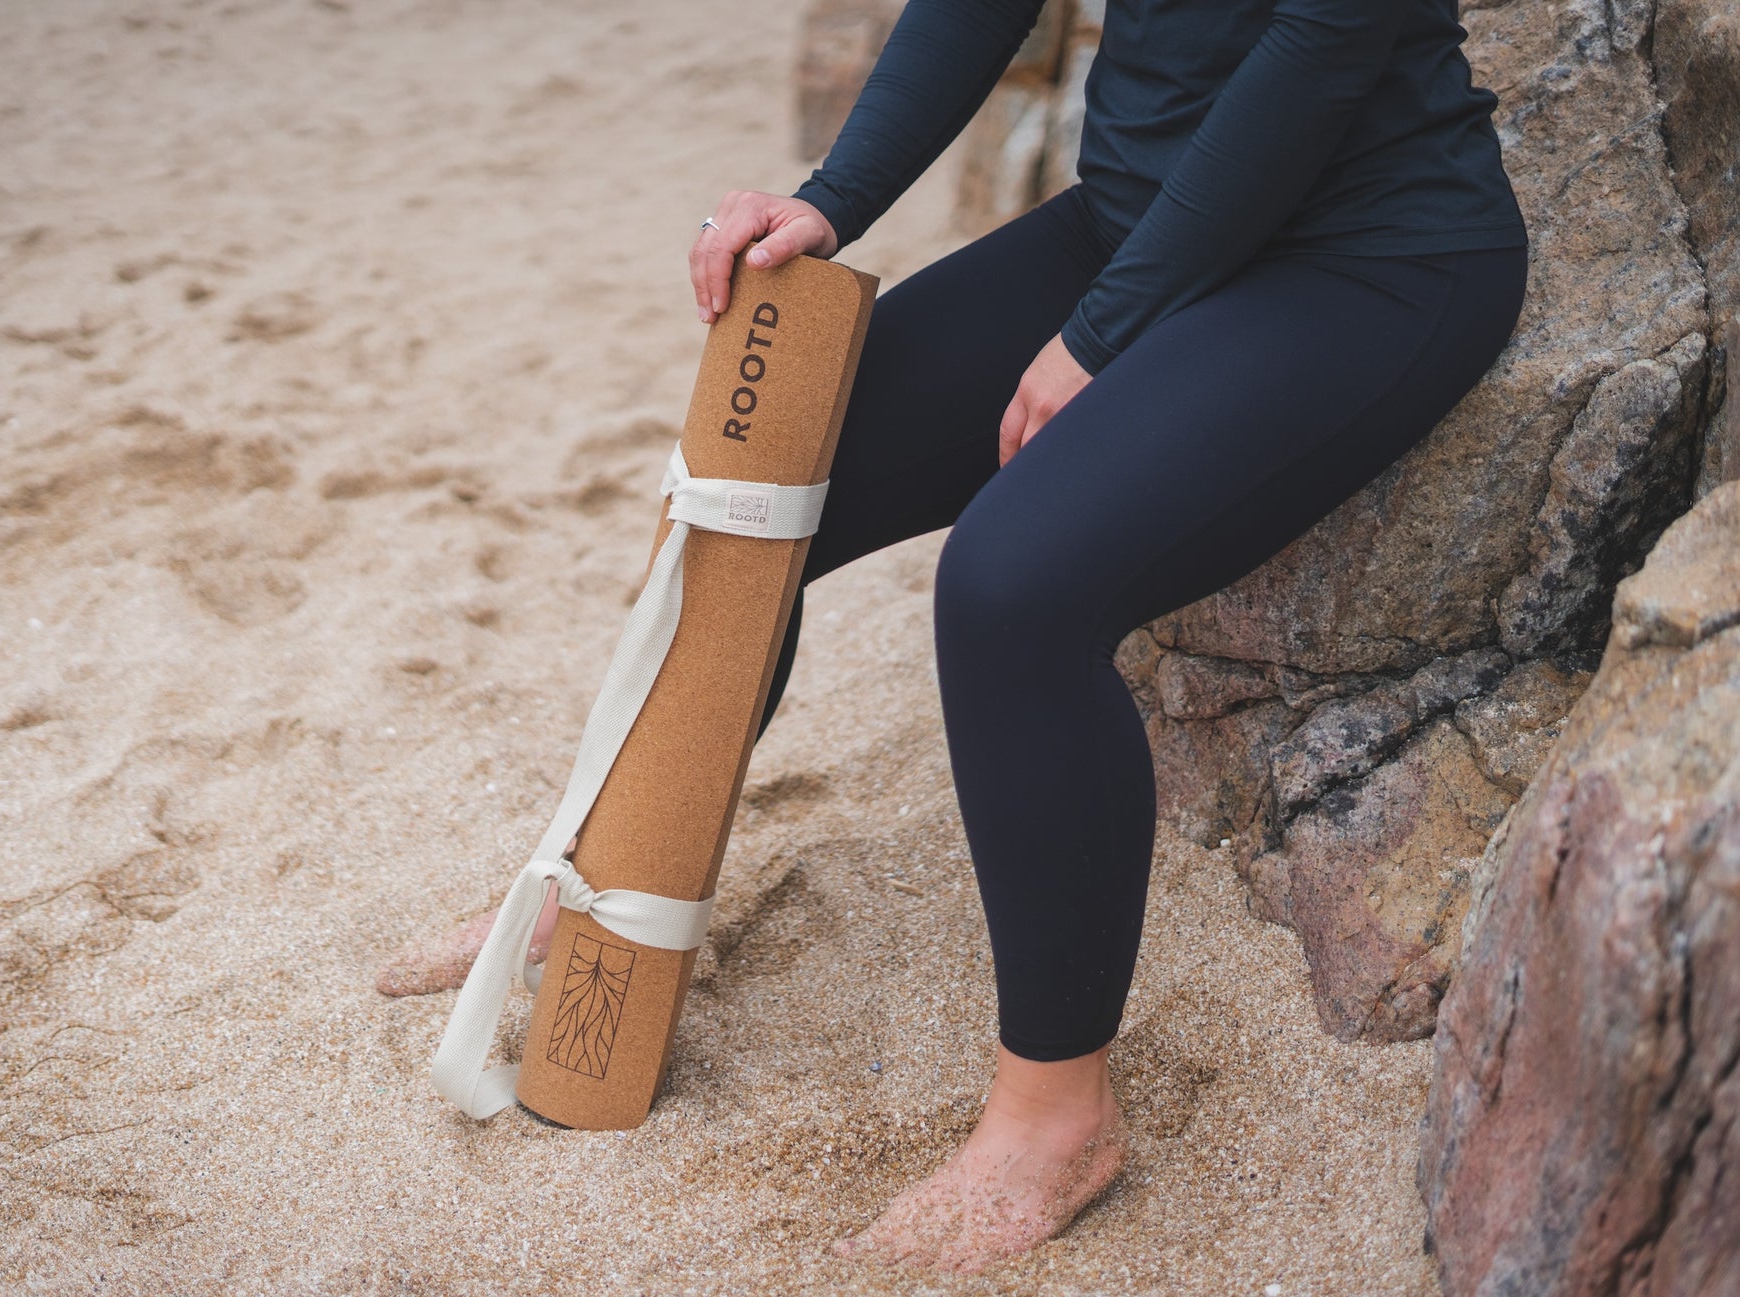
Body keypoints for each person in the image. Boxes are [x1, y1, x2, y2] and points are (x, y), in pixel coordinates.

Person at [383, 0, 1529, 1273]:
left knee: (1007, 592)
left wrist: (1103, 331)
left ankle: (1057, 1116)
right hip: (1131, 213)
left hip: (1365, 253)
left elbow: (1323, 39)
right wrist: (833, 198)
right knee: (747, 475)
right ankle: (602, 882)